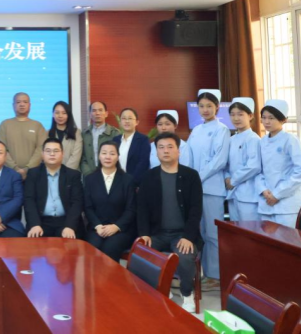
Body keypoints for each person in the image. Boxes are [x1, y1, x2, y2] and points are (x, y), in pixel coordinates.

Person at [138, 132, 203, 314]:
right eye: (161, 147)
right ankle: (159, 289)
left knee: (184, 255)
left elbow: (196, 209)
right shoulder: (149, 176)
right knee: (140, 253)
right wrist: (144, 234)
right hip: (157, 233)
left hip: (182, 234)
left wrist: (188, 237)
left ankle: (187, 293)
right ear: (156, 152)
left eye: (170, 147)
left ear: (178, 151)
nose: (165, 151)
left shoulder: (191, 176)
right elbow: (141, 208)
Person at [186, 89, 230, 288]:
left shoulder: (222, 130)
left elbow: (219, 161)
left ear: (217, 107)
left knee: (213, 233)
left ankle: (217, 276)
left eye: (209, 106)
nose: (205, 110)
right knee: (201, 233)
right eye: (201, 106)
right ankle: (205, 273)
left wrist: (197, 177)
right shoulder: (196, 130)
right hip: (195, 188)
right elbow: (188, 156)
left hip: (212, 188)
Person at [256, 99, 301, 225]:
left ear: (283, 120)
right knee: (265, 237)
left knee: (289, 237)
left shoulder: (290, 140)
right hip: (267, 201)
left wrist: (277, 194)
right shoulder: (262, 141)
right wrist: (263, 189)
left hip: (288, 205)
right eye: (264, 118)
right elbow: (258, 170)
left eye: (271, 118)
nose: (266, 122)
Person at [84, 140, 136, 261]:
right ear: (99, 156)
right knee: (93, 247)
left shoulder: (127, 180)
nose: (108, 157)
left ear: (118, 157)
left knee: (110, 248)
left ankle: (112, 274)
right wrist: (97, 226)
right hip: (97, 228)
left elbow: (131, 208)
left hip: (121, 229)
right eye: (104, 153)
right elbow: (87, 207)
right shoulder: (90, 179)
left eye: (112, 153)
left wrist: (116, 226)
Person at [25, 138, 84, 239]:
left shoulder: (73, 175)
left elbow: (77, 202)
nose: (52, 154)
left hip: (66, 221)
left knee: (71, 245)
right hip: (41, 222)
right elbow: (29, 200)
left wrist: (69, 226)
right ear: (42, 154)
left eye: (56, 151)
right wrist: (35, 224)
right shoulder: (33, 174)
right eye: (48, 151)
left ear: (62, 154)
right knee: (34, 244)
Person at [224, 98, 262, 222]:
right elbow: (226, 164)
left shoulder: (253, 139)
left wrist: (233, 180)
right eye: (232, 114)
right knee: (235, 229)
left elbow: (254, 166)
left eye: (240, 114)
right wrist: (227, 177)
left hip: (248, 195)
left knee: (249, 229)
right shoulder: (231, 140)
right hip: (233, 193)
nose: (236, 118)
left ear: (250, 116)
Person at [0, 93, 48, 180]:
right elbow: (2, 149)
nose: (22, 104)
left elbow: (41, 149)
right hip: (9, 174)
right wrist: (15, 168)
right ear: (13, 105)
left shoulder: (37, 125)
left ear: (30, 105)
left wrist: (27, 169)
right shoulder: (5, 125)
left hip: (33, 174)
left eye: (25, 102)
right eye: (18, 102)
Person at [80, 101, 121, 176]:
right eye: (94, 110)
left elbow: (118, 156)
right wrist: (88, 174)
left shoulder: (115, 133)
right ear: (90, 114)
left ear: (106, 114)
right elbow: (82, 157)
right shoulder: (84, 134)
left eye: (100, 110)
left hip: (109, 175)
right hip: (89, 176)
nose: (97, 113)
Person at [113, 108, 150, 186]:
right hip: (116, 183)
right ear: (120, 122)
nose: (127, 121)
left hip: (134, 184)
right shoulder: (115, 140)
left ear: (137, 122)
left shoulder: (143, 140)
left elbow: (143, 163)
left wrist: (131, 182)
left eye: (130, 118)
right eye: (124, 118)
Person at [48, 101, 83, 171]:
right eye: (57, 113)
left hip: (71, 173)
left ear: (68, 115)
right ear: (53, 114)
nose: (60, 116)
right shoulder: (47, 134)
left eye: (64, 113)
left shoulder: (77, 133)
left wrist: (64, 173)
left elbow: (76, 157)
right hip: (52, 172)